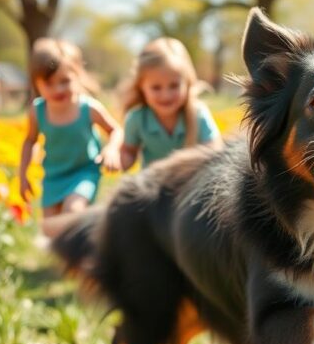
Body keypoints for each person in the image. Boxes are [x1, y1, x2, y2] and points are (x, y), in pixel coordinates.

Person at [18, 38, 123, 238]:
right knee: (51, 230)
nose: (58, 89)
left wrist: (111, 149)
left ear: (78, 76)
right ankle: (72, 260)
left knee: (73, 213)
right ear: (36, 84)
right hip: (53, 176)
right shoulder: (37, 111)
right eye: (49, 83)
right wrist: (23, 174)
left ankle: (86, 257)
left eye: (65, 81)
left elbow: (115, 130)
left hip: (84, 172)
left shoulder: (88, 108)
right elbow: (30, 140)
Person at [103, 37, 222, 172]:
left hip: (188, 187)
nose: (166, 95)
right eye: (156, 88)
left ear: (187, 83)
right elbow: (129, 152)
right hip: (151, 187)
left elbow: (214, 150)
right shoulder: (137, 118)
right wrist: (116, 159)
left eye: (174, 86)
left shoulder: (198, 114)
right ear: (141, 87)